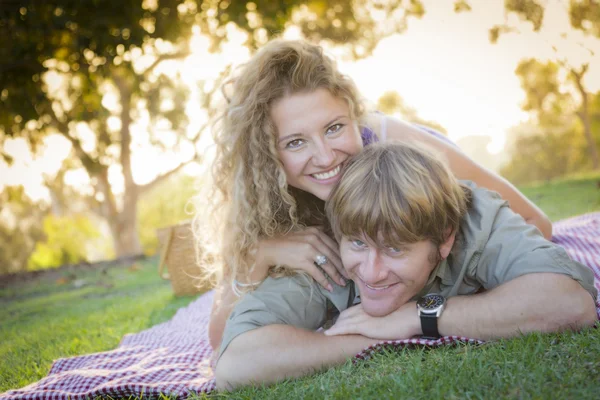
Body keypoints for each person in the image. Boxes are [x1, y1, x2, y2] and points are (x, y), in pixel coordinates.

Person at [200, 38, 553, 352]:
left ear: (355, 116)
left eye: (334, 127)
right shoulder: (259, 195)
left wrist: (421, 311)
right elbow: (220, 343)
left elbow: (538, 223)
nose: (325, 157)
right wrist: (262, 254)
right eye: (295, 142)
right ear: (267, 155)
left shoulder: (400, 146)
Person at [214, 142, 598, 390]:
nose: (371, 271)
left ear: (445, 238)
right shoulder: (335, 251)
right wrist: (368, 338)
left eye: (395, 250)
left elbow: (570, 304)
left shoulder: (480, 221)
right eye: (359, 244)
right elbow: (236, 363)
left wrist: (422, 317)